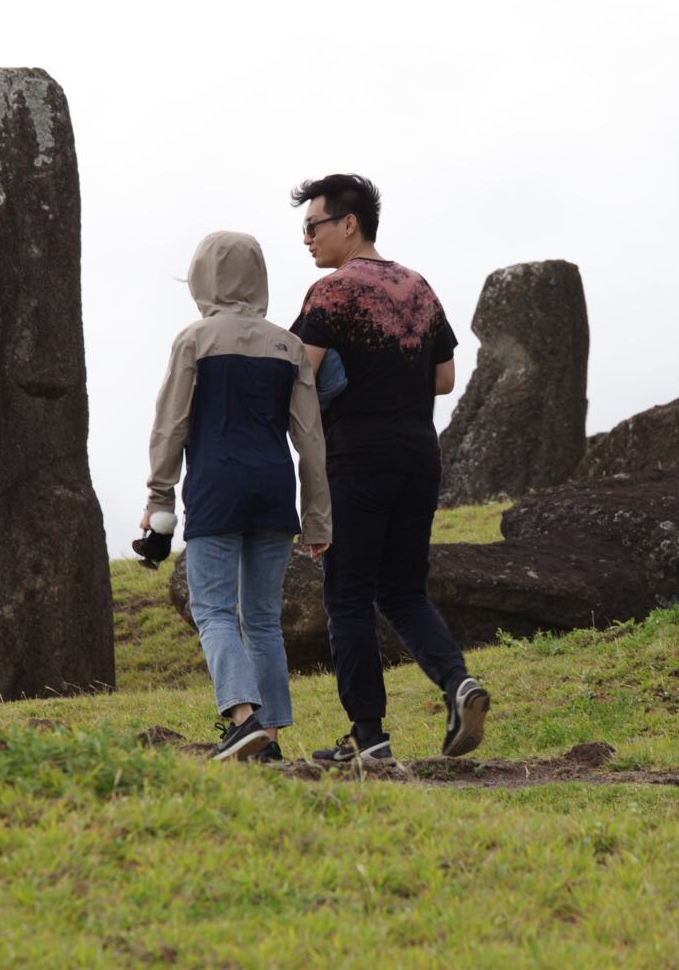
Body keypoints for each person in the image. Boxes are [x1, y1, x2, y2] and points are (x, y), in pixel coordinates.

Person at [288, 173, 490, 762]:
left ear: (348, 223)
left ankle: (368, 738)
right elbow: (445, 379)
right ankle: (459, 683)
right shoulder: (417, 287)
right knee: (403, 591)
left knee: (347, 596)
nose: (306, 240)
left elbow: (300, 369)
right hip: (418, 455)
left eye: (312, 226)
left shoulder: (333, 292)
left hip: (356, 458)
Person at [142, 230, 331, 762]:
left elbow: (170, 426)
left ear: (203, 276)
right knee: (263, 618)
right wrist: (318, 519)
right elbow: (310, 439)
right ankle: (269, 739)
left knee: (215, 611)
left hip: (217, 487)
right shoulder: (288, 345)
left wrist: (160, 499)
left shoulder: (194, 340)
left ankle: (243, 719)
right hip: (274, 489)